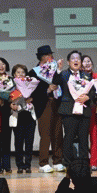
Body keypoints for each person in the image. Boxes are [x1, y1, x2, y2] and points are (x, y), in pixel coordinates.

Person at [28, 45, 65, 173]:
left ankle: (57, 161)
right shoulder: (34, 72)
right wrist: (47, 90)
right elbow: (31, 91)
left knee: (58, 133)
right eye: (48, 55)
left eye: (51, 55)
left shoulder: (55, 68)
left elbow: (60, 83)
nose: (51, 57)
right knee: (45, 134)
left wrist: (58, 71)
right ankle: (43, 163)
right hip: (43, 104)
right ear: (42, 57)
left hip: (57, 103)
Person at [58, 51, 93, 168]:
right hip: (68, 110)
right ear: (68, 62)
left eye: (78, 58)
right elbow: (55, 83)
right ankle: (68, 163)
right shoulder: (63, 74)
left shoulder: (86, 75)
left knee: (83, 138)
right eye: (73, 58)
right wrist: (58, 70)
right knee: (69, 137)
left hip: (84, 110)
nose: (76, 60)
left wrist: (88, 97)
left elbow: (93, 91)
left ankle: (84, 164)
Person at [10, 64, 36, 173]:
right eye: (18, 72)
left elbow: (35, 98)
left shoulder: (31, 84)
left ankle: (28, 165)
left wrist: (31, 99)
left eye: (23, 72)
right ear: (14, 75)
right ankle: (20, 165)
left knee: (29, 142)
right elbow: (8, 99)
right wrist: (11, 104)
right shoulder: (11, 86)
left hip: (29, 116)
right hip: (18, 116)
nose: (21, 74)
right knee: (18, 142)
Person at [82, 55, 97, 171]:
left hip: (94, 110)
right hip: (81, 110)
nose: (87, 63)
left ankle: (94, 162)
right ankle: (83, 161)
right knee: (82, 138)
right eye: (84, 61)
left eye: (89, 61)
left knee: (95, 137)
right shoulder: (77, 78)